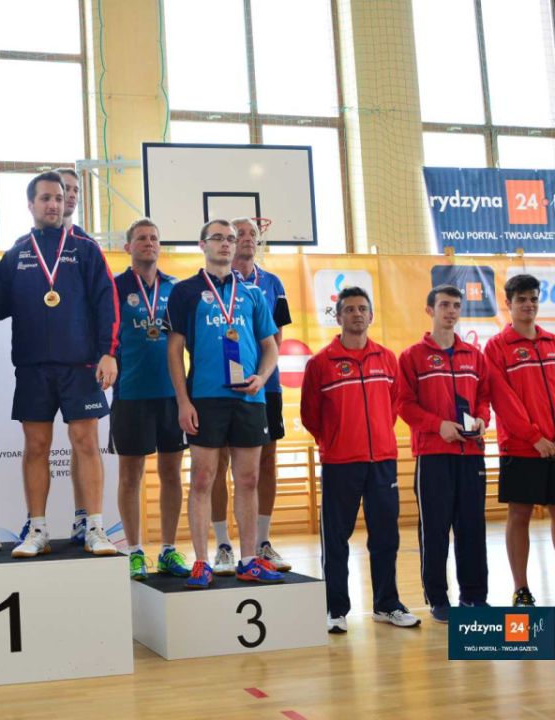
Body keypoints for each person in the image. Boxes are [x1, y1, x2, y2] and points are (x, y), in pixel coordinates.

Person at [0, 171, 119, 557]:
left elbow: (107, 302)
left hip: (81, 366)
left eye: (59, 198)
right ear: (31, 204)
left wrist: (108, 352)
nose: (54, 204)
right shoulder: (18, 252)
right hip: (33, 367)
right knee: (36, 445)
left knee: (86, 443)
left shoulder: (86, 248)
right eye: (45, 198)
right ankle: (37, 529)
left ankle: (95, 527)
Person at [166, 219, 282, 589]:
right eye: (218, 238)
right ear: (202, 245)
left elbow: (270, 346)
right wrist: (183, 401)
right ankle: (202, 561)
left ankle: (249, 559)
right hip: (206, 398)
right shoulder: (185, 292)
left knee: (248, 479)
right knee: (203, 478)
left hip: (250, 398)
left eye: (231, 239)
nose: (226, 244)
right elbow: (174, 350)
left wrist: (261, 378)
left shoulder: (252, 294)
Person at [301, 287, 420, 633]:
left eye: (362, 309)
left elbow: (394, 404)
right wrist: (335, 441)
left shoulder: (387, 358)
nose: (357, 314)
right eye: (350, 309)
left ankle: (387, 605)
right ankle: (335, 609)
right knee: (336, 539)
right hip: (340, 463)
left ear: (371, 315)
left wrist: (377, 435)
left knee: (386, 536)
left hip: (382, 461)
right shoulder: (320, 363)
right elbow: (310, 415)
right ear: (338, 317)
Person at [398, 284, 490, 622]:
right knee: (435, 530)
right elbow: (404, 404)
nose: (451, 311)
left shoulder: (474, 355)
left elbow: (484, 397)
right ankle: (438, 599)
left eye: (456, 305)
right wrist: (438, 426)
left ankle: (474, 597)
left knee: (472, 528)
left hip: (471, 455)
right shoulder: (412, 357)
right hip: (433, 455)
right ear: (430, 310)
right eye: (444, 305)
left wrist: (481, 419)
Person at [211, 217, 293, 574]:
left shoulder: (272, 284)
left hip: (265, 387)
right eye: (238, 234)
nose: (246, 239)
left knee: (266, 461)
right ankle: (223, 544)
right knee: (218, 463)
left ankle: (262, 541)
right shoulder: (213, 283)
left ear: (259, 241)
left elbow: (277, 339)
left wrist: (260, 374)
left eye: (252, 234)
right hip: (219, 388)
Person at [112, 218, 188, 580]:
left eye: (154, 238)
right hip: (130, 393)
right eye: (141, 238)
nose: (149, 242)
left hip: (172, 394)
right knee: (131, 475)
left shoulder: (176, 288)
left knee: (172, 473)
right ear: (128, 247)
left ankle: (169, 549)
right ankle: (134, 551)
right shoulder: (114, 287)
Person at [484, 274, 555, 607]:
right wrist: (533, 436)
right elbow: (503, 399)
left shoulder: (551, 342)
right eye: (522, 299)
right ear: (508, 304)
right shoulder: (497, 347)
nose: (529, 305)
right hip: (522, 447)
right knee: (519, 514)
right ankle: (521, 588)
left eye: (533, 299)